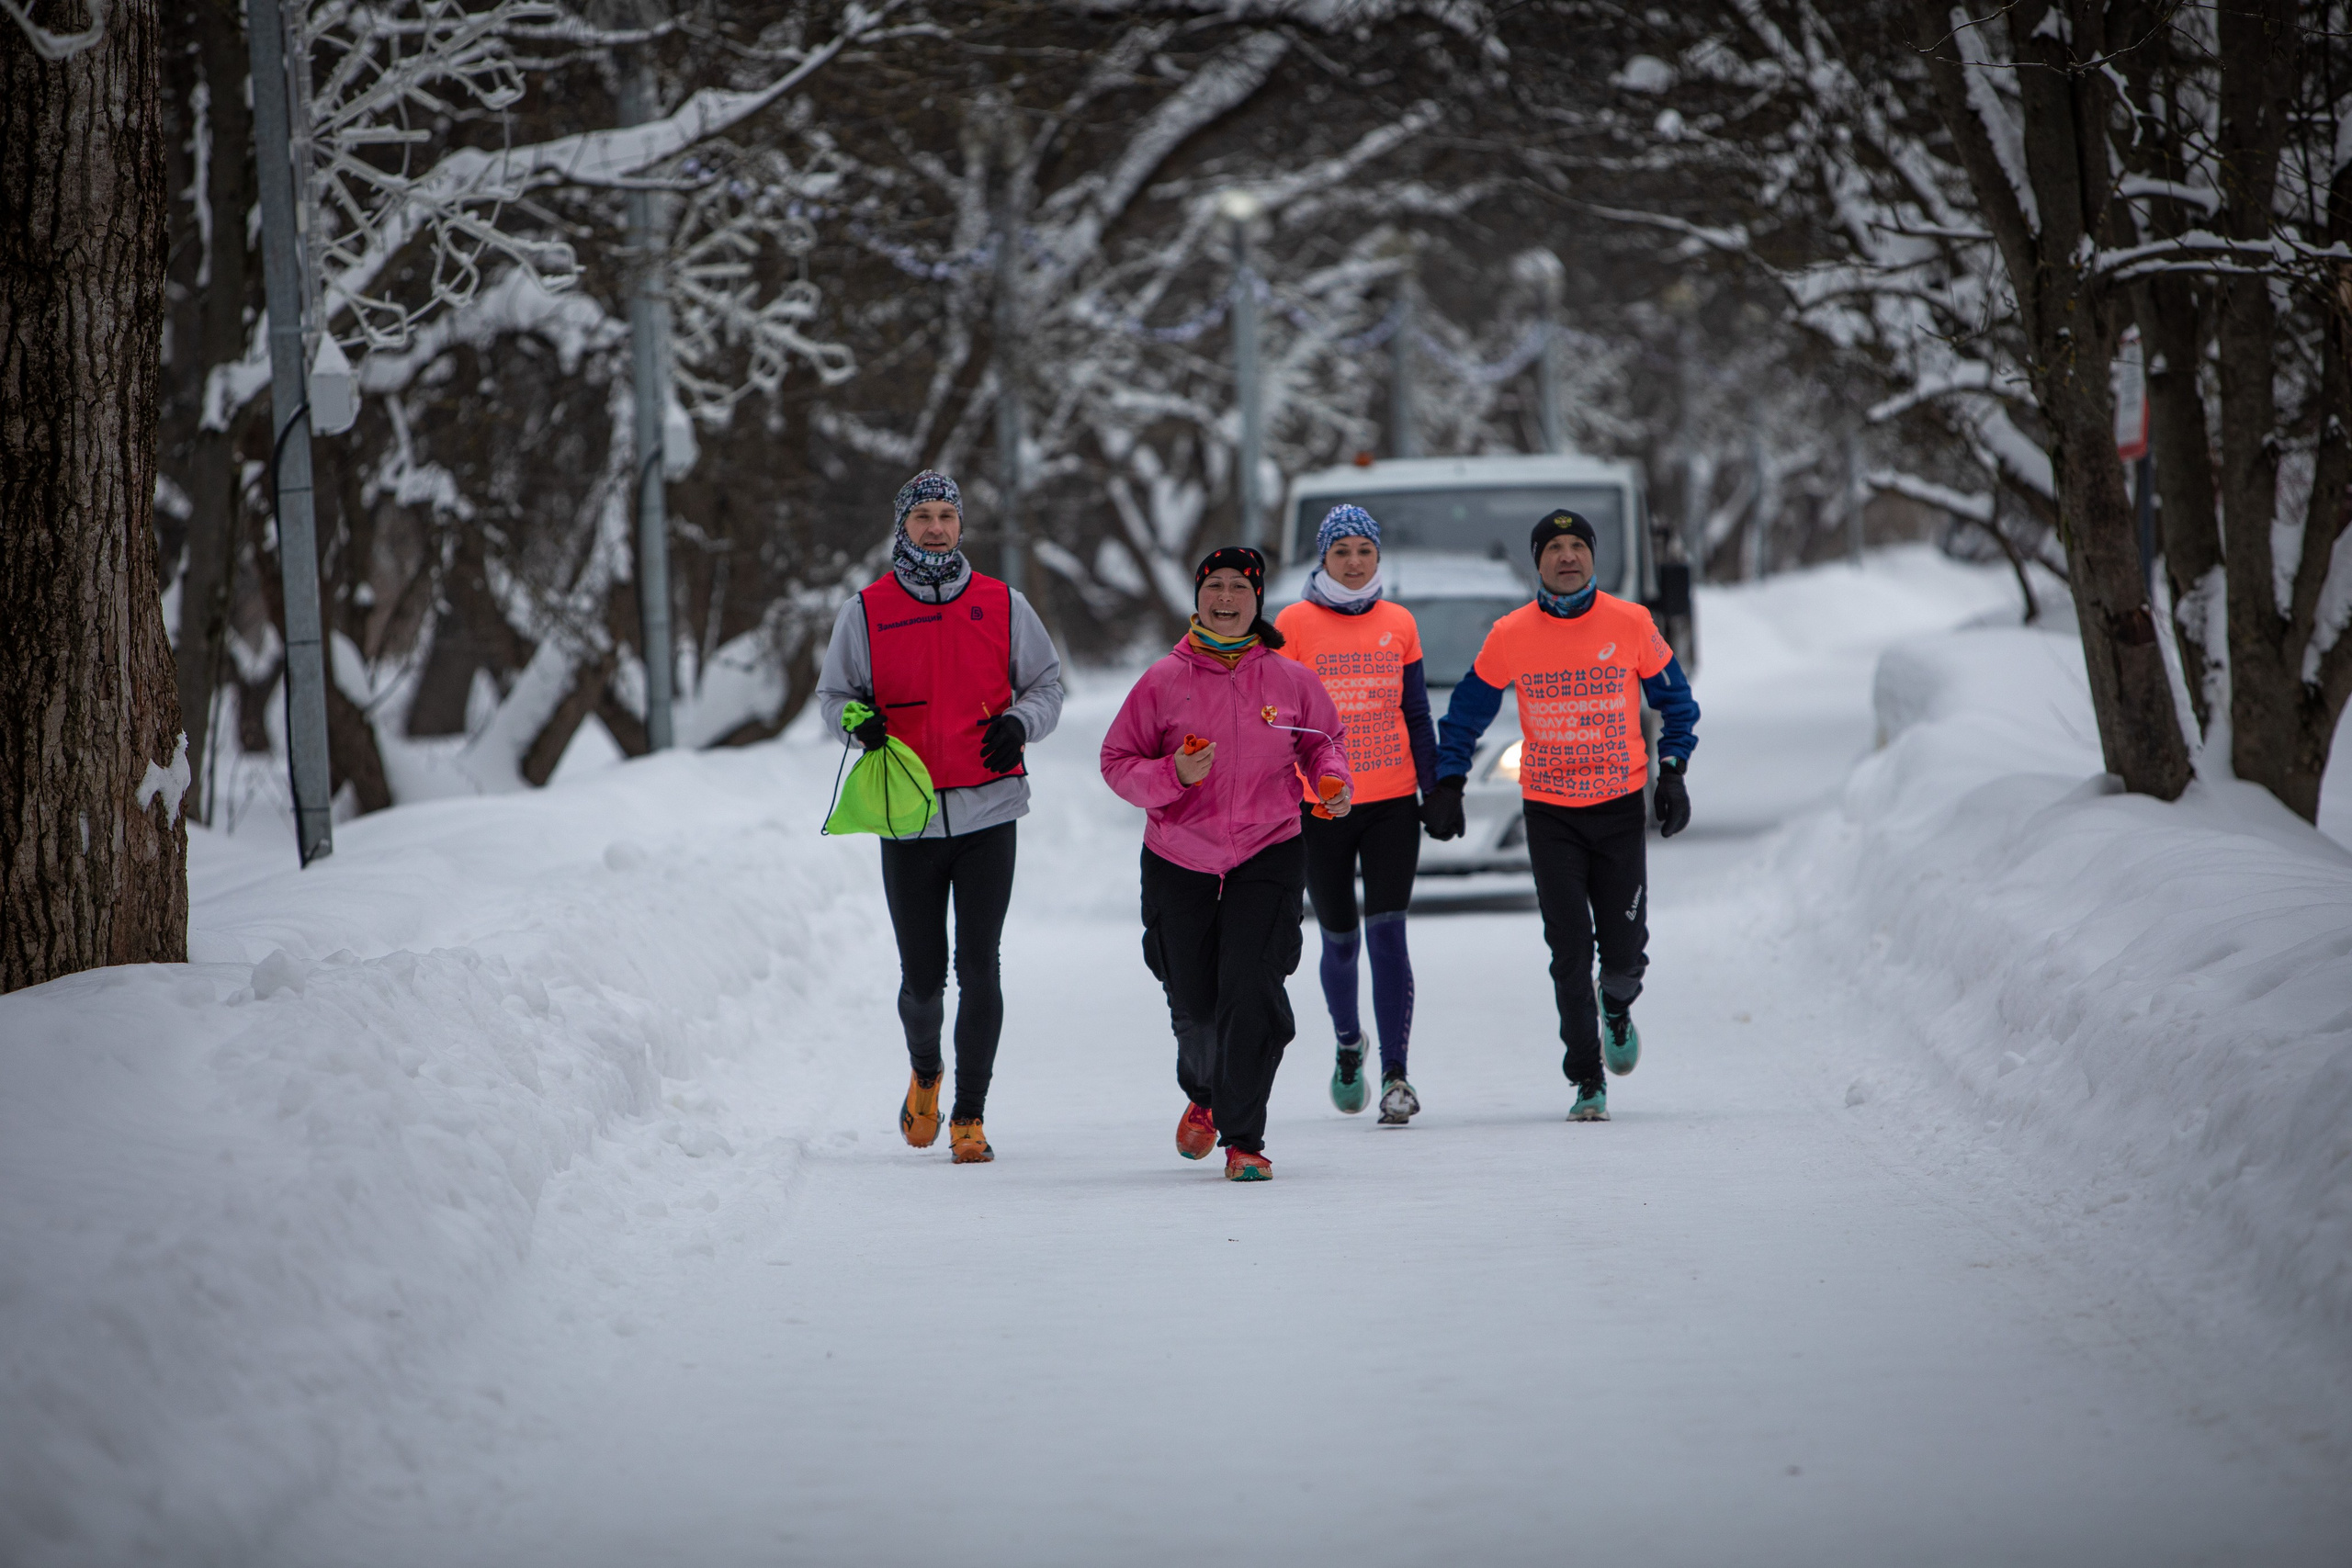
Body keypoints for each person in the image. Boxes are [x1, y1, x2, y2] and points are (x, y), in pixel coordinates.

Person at [817, 470, 1064, 1164]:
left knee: (980, 964)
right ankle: (926, 1070)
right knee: (924, 978)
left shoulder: (1002, 603)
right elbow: (834, 694)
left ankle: (971, 1115)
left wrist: (1021, 722)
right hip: (909, 817)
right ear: (903, 525)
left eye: (946, 515)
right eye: (922, 515)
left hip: (990, 809)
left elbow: (1046, 684)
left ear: (961, 525)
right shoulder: (866, 610)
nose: (935, 527)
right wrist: (856, 720)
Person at [1423, 509, 1699, 1122]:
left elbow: (1675, 701)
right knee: (1569, 949)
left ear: (1592, 556)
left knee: (1623, 951)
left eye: (1578, 545)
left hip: (1620, 807)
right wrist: (1448, 779)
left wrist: (1673, 769)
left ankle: (1619, 1001)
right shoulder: (1511, 633)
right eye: (1555, 547)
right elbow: (1467, 709)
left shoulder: (1630, 623)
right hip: (1551, 812)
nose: (1567, 556)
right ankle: (1587, 1077)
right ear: (1538, 560)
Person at [1100, 547, 1352, 1181]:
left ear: (1258, 598)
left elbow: (1327, 745)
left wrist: (1332, 782)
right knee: (1196, 1004)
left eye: (1240, 586)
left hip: (1268, 849)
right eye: (1215, 585)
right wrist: (1171, 774)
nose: (1227, 598)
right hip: (1179, 854)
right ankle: (1205, 1091)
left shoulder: (1290, 679)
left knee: (1253, 988)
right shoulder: (1163, 680)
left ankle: (1244, 1138)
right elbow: (1116, 761)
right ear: (1198, 595)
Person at [1273, 505, 1438, 1126]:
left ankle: (1396, 1074)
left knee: (1388, 935)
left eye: (1364, 551)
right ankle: (1350, 1045)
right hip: (1322, 806)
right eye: (1341, 551)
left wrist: (1437, 787)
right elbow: (1280, 719)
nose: (1353, 562)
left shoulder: (1400, 622)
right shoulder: (1293, 622)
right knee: (1339, 940)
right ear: (1323, 558)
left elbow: (1417, 713)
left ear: (1377, 558)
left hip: (1393, 800)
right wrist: (1287, 789)